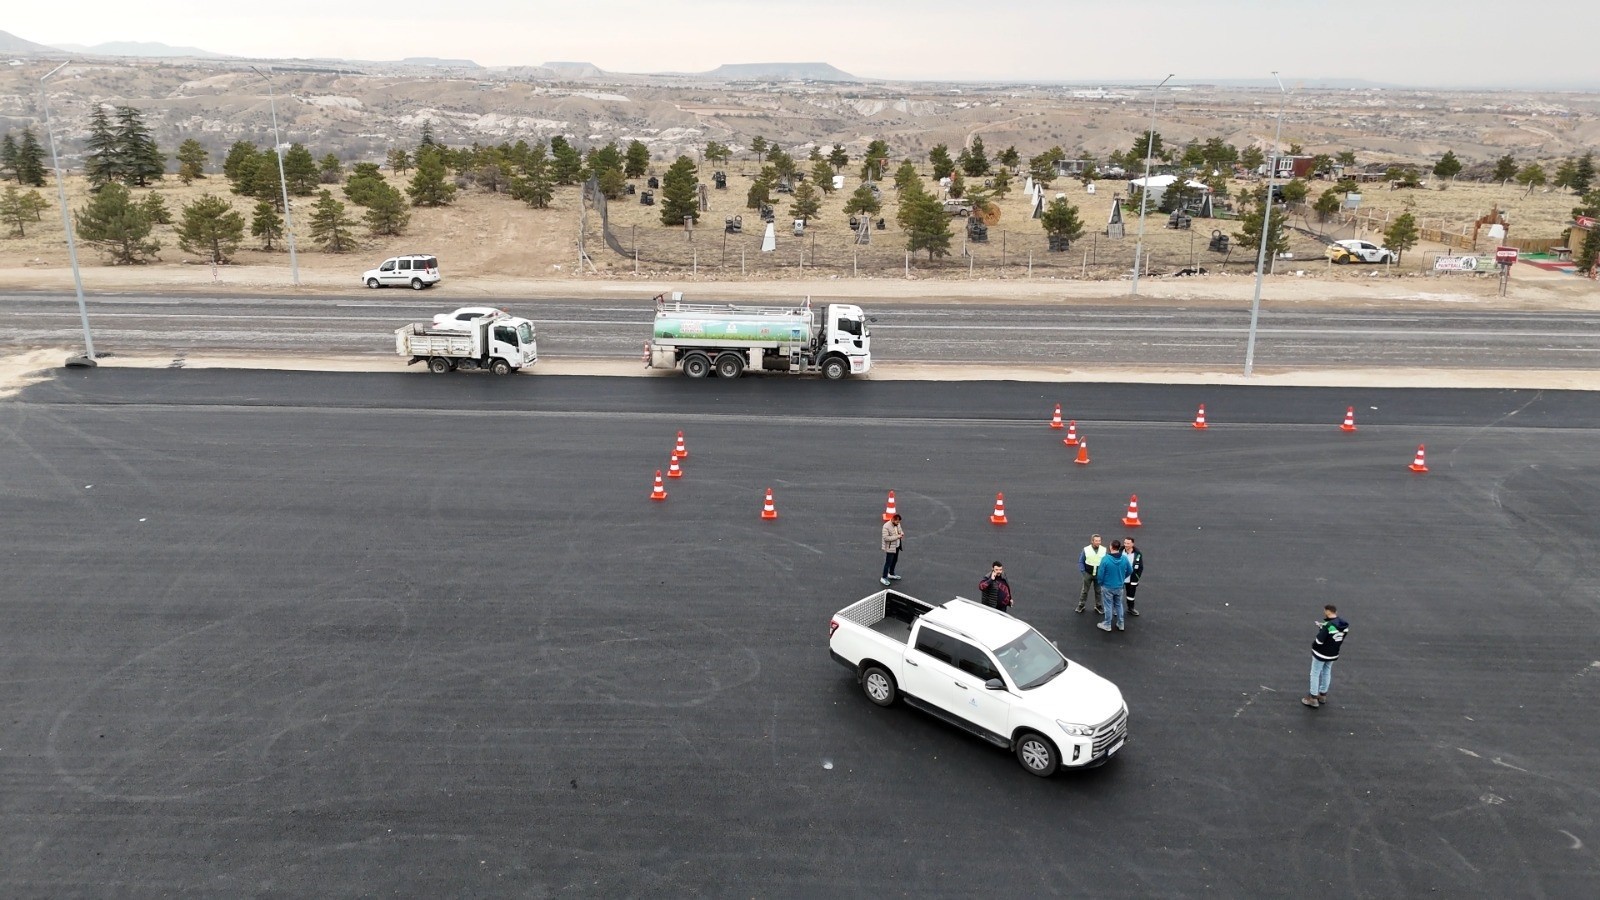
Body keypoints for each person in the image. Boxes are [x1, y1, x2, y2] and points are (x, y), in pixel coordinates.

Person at [1303, 605, 1350, 708]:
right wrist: (1323, 626)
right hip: (1333, 653)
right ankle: (1323, 695)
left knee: (1315, 673)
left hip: (1321, 653)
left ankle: (1313, 698)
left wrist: (1322, 629)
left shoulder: (1328, 626)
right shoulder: (1344, 625)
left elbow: (1319, 641)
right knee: (1327, 672)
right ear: (1335, 612)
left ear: (1327, 612)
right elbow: (1335, 634)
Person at [1095, 539, 1132, 632]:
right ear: (1119, 547)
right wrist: (1122, 578)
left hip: (1107, 586)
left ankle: (1107, 624)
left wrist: (1101, 582)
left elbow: (1100, 574)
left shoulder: (1106, 559)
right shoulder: (1124, 558)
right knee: (1118, 604)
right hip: (1119, 586)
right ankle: (1121, 623)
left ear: (1111, 547)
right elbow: (1130, 570)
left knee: (1108, 606)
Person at [1076, 534, 1106, 614]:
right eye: (1096, 541)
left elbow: (1106, 562)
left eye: (1099, 541)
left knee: (1098, 591)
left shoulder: (1104, 550)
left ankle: (1098, 605)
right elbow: (1081, 561)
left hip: (1098, 574)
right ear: (1092, 541)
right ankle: (1081, 605)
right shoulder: (1086, 549)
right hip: (1088, 574)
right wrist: (1083, 572)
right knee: (1084, 591)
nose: (1098, 542)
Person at [879, 514, 904, 586]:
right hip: (890, 547)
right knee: (888, 562)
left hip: (897, 546)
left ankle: (891, 573)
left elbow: (900, 530)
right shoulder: (886, 526)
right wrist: (897, 537)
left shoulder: (898, 524)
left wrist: (901, 533)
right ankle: (883, 577)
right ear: (893, 519)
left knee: (895, 560)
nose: (898, 523)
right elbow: (886, 538)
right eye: (897, 522)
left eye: (899, 522)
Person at [1124, 536, 1144, 616]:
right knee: (1117, 594)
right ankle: (1115, 609)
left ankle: (1130, 608)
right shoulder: (1120, 551)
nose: (1126, 545)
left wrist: (1137, 578)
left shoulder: (1138, 554)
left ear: (1132, 544)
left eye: (1128, 543)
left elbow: (1140, 567)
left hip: (1131, 579)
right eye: (1125, 543)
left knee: (1131, 595)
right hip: (1121, 578)